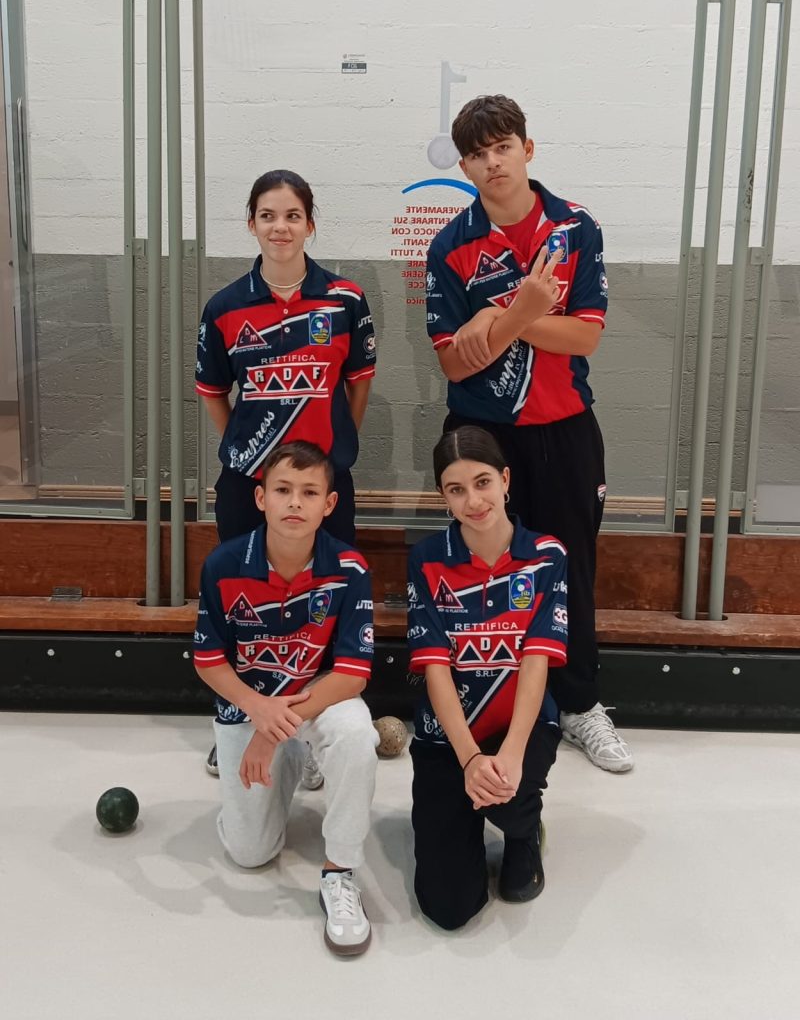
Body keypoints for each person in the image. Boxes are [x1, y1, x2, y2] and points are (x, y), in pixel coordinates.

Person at [424, 94, 632, 773]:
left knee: (569, 567)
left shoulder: (575, 228)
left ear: (527, 149)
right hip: (483, 435)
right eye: (478, 154)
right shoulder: (450, 247)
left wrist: (497, 318)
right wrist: (526, 309)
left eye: (503, 147)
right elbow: (455, 361)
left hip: (565, 429)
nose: (493, 163)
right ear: (464, 167)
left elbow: (585, 337)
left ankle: (580, 705)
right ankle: (489, 701)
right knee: (485, 567)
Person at [196, 169, 376, 779]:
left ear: (310, 224)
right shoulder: (225, 307)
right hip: (248, 484)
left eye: (292, 215)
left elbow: (358, 384)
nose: (281, 227)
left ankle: (309, 730)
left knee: (319, 605)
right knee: (245, 606)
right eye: (268, 215)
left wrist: (332, 454)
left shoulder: (345, 300)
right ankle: (238, 721)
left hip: (324, 482)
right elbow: (214, 391)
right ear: (251, 224)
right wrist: (248, 452)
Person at [193, 440, 379, 957]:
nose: (295, 502)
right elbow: (208, 660)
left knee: (356, 735)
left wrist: (271, 732)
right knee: (250, 854)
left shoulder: (350, 568)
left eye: (309, 492)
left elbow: (353, 675)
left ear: (329, 504)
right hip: (248, 705)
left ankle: (340, 872)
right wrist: (259, 713)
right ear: (261, 499)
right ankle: (290, 759)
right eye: (282, 490)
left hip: (317, 699)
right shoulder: (223, 564)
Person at [407, 426, 567, 929]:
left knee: (510, 798)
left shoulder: (547, 555)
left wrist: (510, 756)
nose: (473, 501)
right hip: (448, 738)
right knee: (449, 908)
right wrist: (470, 759)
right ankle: (465, 811)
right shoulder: (427, 559)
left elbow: (536, 661)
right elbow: (435, 667)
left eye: (482, 483)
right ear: (443, 497)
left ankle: (523, 830)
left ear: (505, 480)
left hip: (517, 729)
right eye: (456, 489)